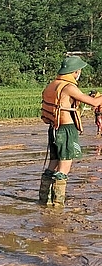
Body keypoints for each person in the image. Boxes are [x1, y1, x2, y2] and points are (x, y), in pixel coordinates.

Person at [39, 56, 102, 206]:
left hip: (53, 128)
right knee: (64, 167)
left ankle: (43, 199)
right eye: (79, 71)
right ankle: (58, 203)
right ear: (74, 72)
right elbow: (93, 102)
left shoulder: (53, 84)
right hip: (66, 129)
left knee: (52, 164)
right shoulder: (69, 87)